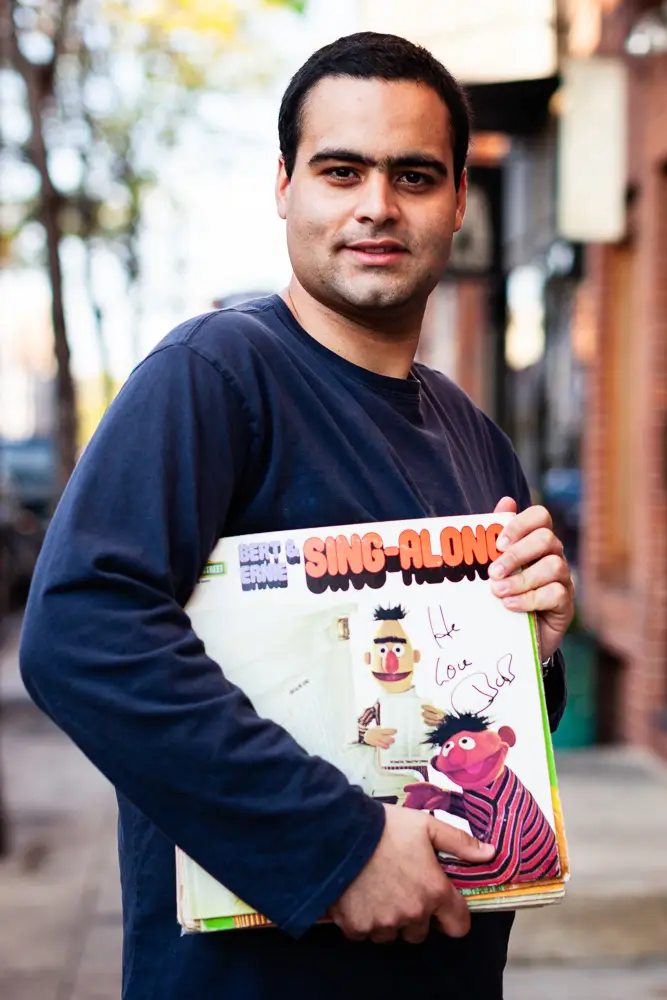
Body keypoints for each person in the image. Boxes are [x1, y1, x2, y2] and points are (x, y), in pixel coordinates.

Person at [19, 31, 572, 1000]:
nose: (375, 205)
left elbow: (483, 712)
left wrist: (537, 648)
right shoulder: (213, 375)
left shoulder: (471, 432)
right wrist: (344, 843)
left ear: (454, 200)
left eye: (412, 174)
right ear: (284, 186)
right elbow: (82, 633)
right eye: (340, 169)